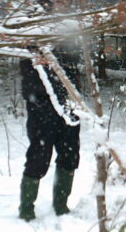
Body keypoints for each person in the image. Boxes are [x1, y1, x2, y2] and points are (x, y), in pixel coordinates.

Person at [18, 46, 81, 221]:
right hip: (40, 100)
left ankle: (61, 205)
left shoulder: (67, 33)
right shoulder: (29, 33)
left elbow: (75, 55)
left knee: (70, 153)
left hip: (68, 98)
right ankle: (26, 208)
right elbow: (24, 56)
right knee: (39, 154)